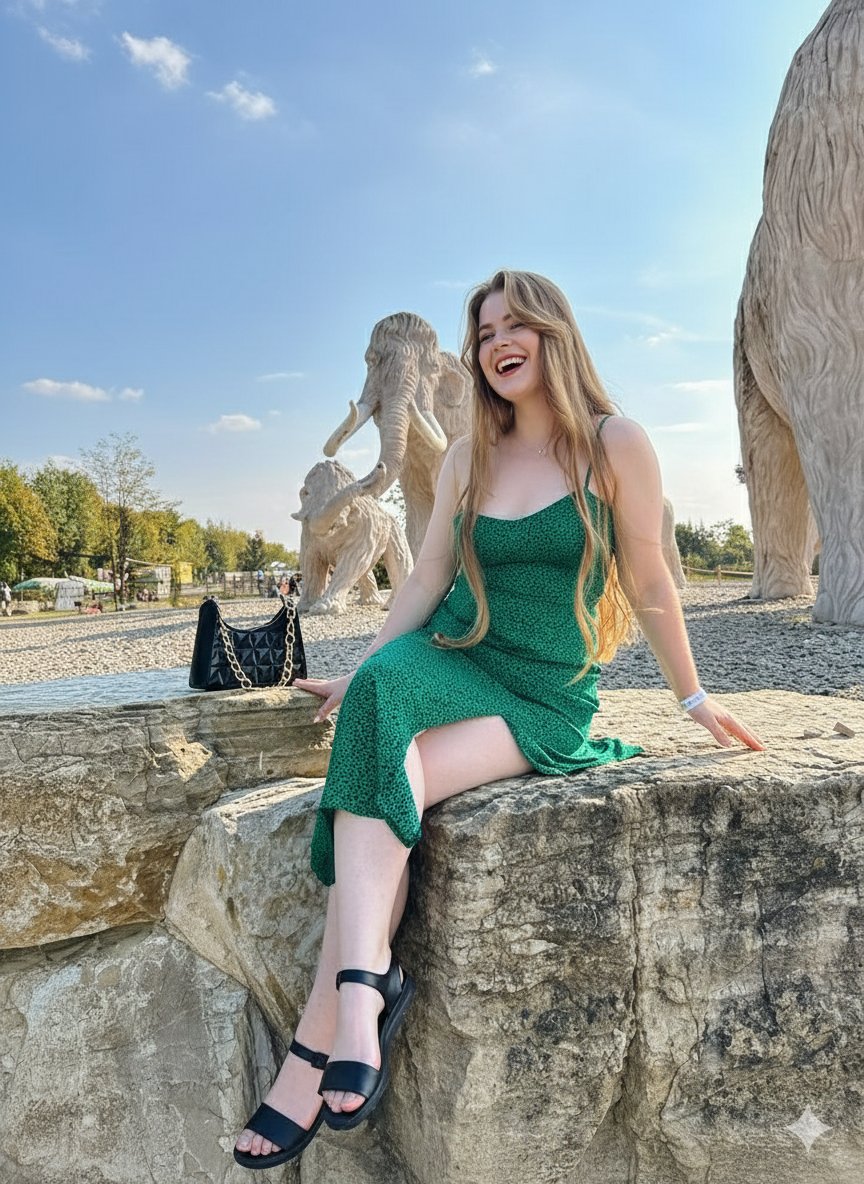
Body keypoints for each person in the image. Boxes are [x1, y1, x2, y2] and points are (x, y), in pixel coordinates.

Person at [233, 270, 764, 1169]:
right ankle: (362, 994)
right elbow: (428, 575)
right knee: (380, 703)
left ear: (555, 332)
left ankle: (317, 1039)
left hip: (539, 690)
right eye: (483, 332)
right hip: (449, 652)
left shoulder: (615, 442)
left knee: (374, 770)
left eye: (514, 324)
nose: (497, 342)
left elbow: (649, 578)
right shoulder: (467, 454)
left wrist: (694, 696)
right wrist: (361, 669)